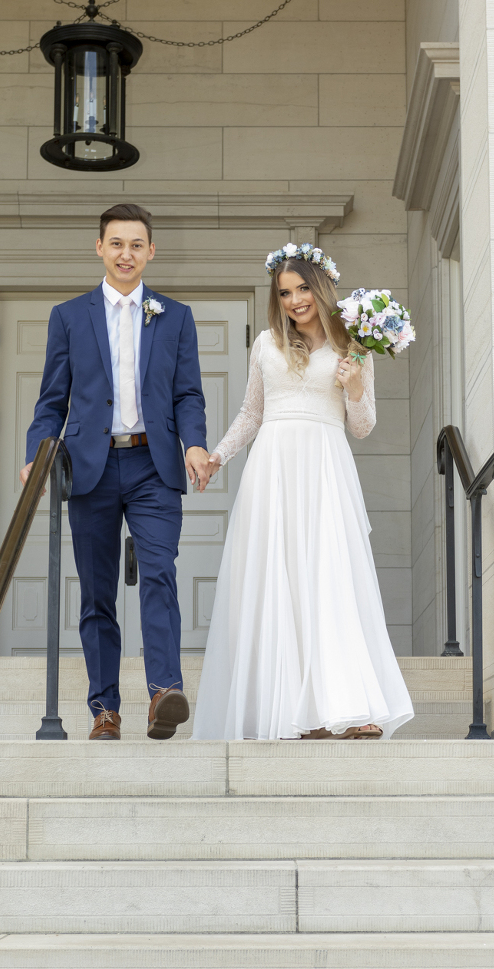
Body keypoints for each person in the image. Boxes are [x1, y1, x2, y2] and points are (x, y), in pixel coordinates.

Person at [192, 245, 414, 740]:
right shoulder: (266, 345)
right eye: (285, 293)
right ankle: (296, 713)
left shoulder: (354, 345)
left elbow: (363, 426)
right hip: (272, 468)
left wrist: (355, 387)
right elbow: (252, 413)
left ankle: (348, 706)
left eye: (302, 289)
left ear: (322, 286)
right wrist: (217, 456)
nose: (295, 301)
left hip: (325, 468)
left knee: (330, 580)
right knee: (280, 581)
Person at [22, 203, 210, 741]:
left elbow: (188, 393)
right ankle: (104, 709)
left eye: (136, 245)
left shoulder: (175, 316)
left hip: (155, 465)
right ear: (99, 248)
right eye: (116, 244)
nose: (126, 254)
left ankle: (162, 695)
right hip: (90, 469)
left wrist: (194, 444)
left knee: (159, 575)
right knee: (98, 591)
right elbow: (51, 402)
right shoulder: (69, 316)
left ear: (152, 251)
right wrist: (40, 453)